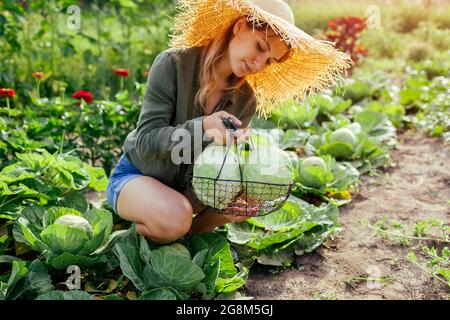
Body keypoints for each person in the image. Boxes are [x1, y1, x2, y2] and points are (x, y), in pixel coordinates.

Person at [106, 0, 351, 244]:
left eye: (268, 61)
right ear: (241, 27)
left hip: (185, 193)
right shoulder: (173, 65)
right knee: (176, 216)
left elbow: (215, 169)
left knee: (229, 204)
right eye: (260, 47)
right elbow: (146, 142)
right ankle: (137, 233)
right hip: (138, 175)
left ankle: (179, 229)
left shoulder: (246, 100)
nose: (258, 64)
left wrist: (237, 171)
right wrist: (203, 127)